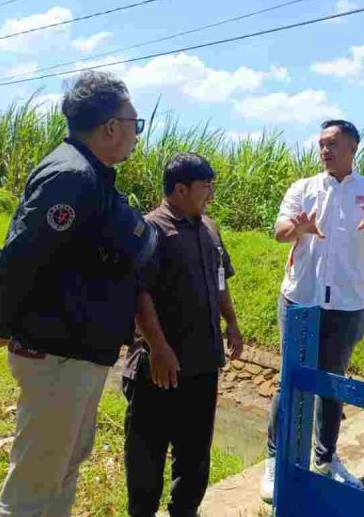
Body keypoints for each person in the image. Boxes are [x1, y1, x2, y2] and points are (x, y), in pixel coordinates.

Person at [0, 70, 157, 517]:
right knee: (34, 486)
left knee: (61, 471)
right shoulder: (72, 176)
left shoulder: (91, 175)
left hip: (76, 351)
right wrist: (3, 322)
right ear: (111, 127)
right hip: (58, 353)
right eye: (135, 123)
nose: (137, 134)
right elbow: (18, 259)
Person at [260, 119, 364, 502]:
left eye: (333, 144)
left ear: (353, 148)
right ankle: (275, 459)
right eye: (321, 144)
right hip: (300, 300)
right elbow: (279, 231)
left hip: (347, 304)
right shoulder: (304, 189)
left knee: (332, 383)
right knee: (290, 379)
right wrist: (298, 228)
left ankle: (325, 458)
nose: (325, 150)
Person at [123, 152, 244, 517]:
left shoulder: (210, 228)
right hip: (159, 367)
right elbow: (138, 292)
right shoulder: (151, 229)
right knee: (147, 456)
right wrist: (158, 347)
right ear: (180, 189)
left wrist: (231, 321)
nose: (211, 195)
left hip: (203, 362)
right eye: (205, 187)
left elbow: (220, 279)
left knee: (194, 457)